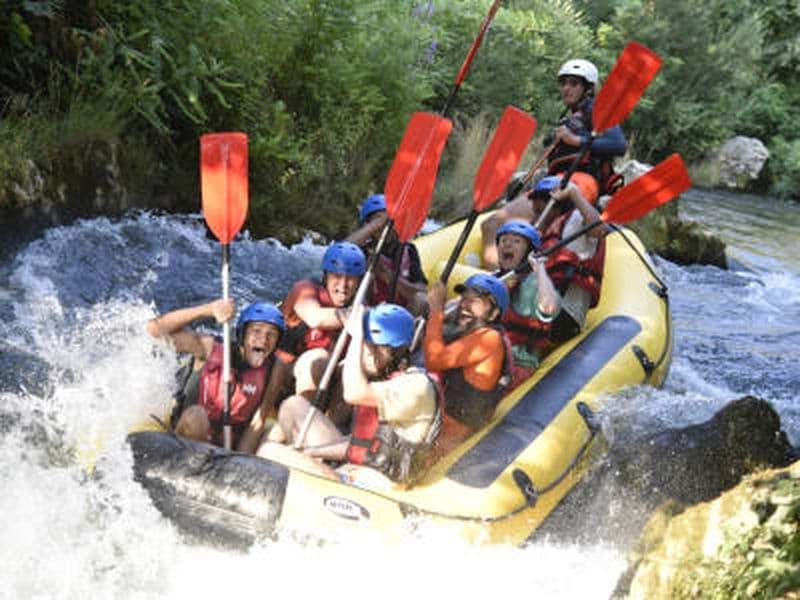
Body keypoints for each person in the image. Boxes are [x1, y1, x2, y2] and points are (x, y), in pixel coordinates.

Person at [262, 303, 440, 487]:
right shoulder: (388, 381)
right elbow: (363, 443)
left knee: (269, 452)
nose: (363, 353)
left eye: (366, 346)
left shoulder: (416, 386)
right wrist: (310, 452)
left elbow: (353, 393)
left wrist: (356, 336)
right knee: (293, 406)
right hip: (356, 468)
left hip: (370, 490)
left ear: (384, 351)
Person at [481, 58, 626, 267]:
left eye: (574, 83)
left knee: (502, 226)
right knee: (491, 225)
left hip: (580, 182)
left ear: (588, 88)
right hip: (554, 183)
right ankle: (497, 284)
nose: (566, 88)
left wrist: (576, 140)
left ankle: (497, 288)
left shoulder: (596, 109)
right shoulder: (571, 117)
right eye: (564, 83)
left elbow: (618, 144)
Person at [146, 299, 285, 450]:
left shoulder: (275, 367)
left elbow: (258, 421)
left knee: (279, 430)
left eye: (272, 334)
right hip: (191, 436)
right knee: (196, 417)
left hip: (231, 443)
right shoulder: (209, 348)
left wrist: (238, 460)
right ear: (242, 334)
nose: (264, 340)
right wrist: (208, 310)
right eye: (257, 331)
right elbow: (154, 330)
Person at [262, 241, 367, 439]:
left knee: (353, 367)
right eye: (337, 276)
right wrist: (355, 315)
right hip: (282, 377)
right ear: (326, 275)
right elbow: (315, 317)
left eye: (350, 279)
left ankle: (329, 436)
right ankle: (299, 431)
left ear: (359, 282)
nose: (343, 286)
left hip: (325, 388)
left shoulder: (361, 306)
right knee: (318, 359)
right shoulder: (305, 290)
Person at [423, 273, 511, 454]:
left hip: (455, 432)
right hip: (444, 421)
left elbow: (434, 360)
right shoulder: (470, 332)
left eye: (475, 301)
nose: (465, 306)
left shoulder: (489, 339)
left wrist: (436, 311)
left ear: (494, 313)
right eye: (464, 299)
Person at [525, 175, 607, 345]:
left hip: (565, 315)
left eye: (540, 211)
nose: (537, 218)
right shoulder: (542, 234)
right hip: (542, 309)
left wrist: (574, 193)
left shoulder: (576, 220)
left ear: (557, 207)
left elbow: (599, 229)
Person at [494, 220, 562, 387]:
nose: (508, 245)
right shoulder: (496, 280)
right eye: (504, 241)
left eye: (516, 241)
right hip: (487, 356)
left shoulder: (534, 284)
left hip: (516, 365)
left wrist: (539, 268)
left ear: (528, 252)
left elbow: (549, 308)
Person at [346, 193, 428, 313]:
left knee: (421, 299)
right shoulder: (361, 249)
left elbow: (421, 290)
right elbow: (341, 249)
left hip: (401, 313)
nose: (386, 227)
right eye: (379, 220)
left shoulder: (408, 249)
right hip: (368, 310)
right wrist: (376, 224)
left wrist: (387, 275)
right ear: (367, 225)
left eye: (391, 221)